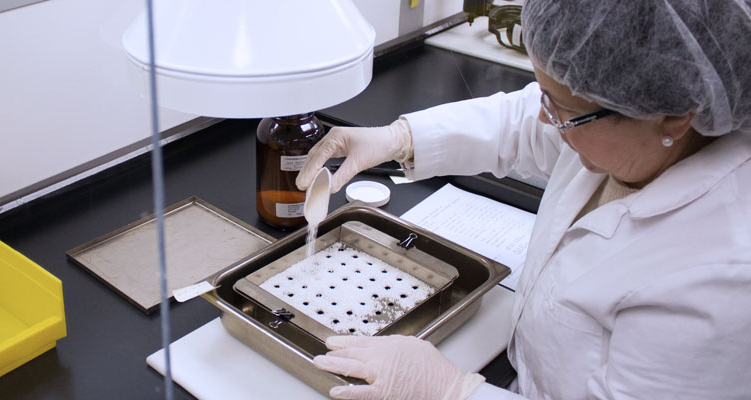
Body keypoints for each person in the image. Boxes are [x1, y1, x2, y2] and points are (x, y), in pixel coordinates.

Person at [295, 0, 751, 399]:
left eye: (563, 111)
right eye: (545, 95)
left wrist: (453, 392)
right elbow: (524, 123)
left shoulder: (722, 277)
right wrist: (399, 139)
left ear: (671, 118)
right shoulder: (625, 126)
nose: (545, 118)